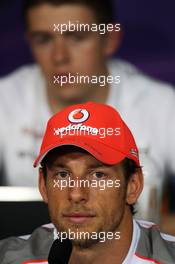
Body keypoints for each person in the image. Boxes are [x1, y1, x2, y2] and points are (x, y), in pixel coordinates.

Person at [0, 0, 175, 221]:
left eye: (76, 38)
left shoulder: (162, 105)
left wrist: (154, 236)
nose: (59, 57)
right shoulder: (5, 99)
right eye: (43, 39)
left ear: (110, 39)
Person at [0, 102, 175, 264]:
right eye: (62, 175)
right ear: (43, 186)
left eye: (98, 175)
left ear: (133, 185)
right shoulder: (8, 258)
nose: (76, 194)